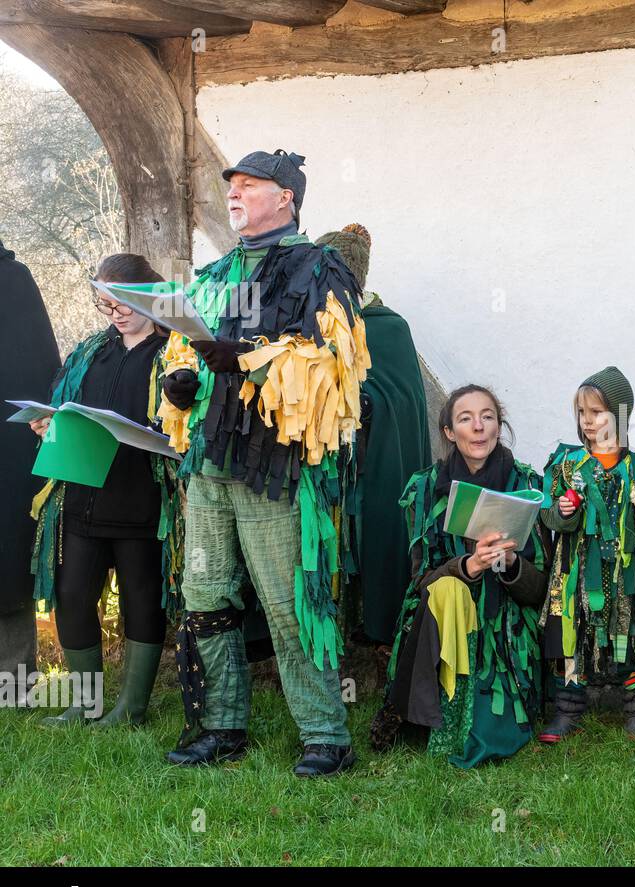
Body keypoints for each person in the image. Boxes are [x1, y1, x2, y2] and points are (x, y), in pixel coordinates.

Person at [157, 149, 370, 776]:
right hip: (208, 464)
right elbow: (182, 341)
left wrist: (248, 357)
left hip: (275, 464)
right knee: (203, 594)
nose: (236, 192)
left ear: (287, 197)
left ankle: (326, 735)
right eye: (233, 185)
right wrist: (180, 378)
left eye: (251, 184)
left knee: (286, 599)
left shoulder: (320, 267)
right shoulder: (215, 272)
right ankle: (220, 725)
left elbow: (335, 361)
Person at [30, 254, 182, 727]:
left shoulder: (175, 354)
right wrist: (47, 424)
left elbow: (186, 425)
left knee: (142, 596)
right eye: (104, 303)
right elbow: (63, 407)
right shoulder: (90, 351)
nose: (114, 313)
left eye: (121, 302)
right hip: (82, 498)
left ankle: (131, 707)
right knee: (73, 595)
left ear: (149, 295)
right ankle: (86, 702)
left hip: (141, 500)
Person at [369, 385, 548, 768]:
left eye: (487, 417)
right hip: (446, 610)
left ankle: (478, 718)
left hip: (505, 620)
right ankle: (446, 718)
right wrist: (467, 567)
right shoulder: (423, 488)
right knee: (448, 588)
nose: (479, 427)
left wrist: (511, 564)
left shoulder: (526, 484)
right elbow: (420, 580)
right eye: (466, 419)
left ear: (499, 426)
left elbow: (540, 592)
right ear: (450, 432)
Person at [314, 223, 432, 647]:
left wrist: (365, 402)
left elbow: (402, 402)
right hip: (324, 464)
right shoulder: (312, 326)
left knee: (375, 537)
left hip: (374, 461)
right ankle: (331, 638)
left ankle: (381, 636)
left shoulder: (388, 328)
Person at [537, 367, 635, 742]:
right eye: (581, 412)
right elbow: (546, 513)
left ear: (619, 415)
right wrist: (561, 512)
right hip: (574, 570)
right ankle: (567, 710)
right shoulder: (565, 463)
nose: (587, 421)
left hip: (623, 573)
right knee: (569, 636)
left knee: (634, 637)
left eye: (597, 412)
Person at [0, 239, 59, 709]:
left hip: (8, 452)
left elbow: (36, 368)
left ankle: (14, 685)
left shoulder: (12, 282)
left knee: (6, 564)